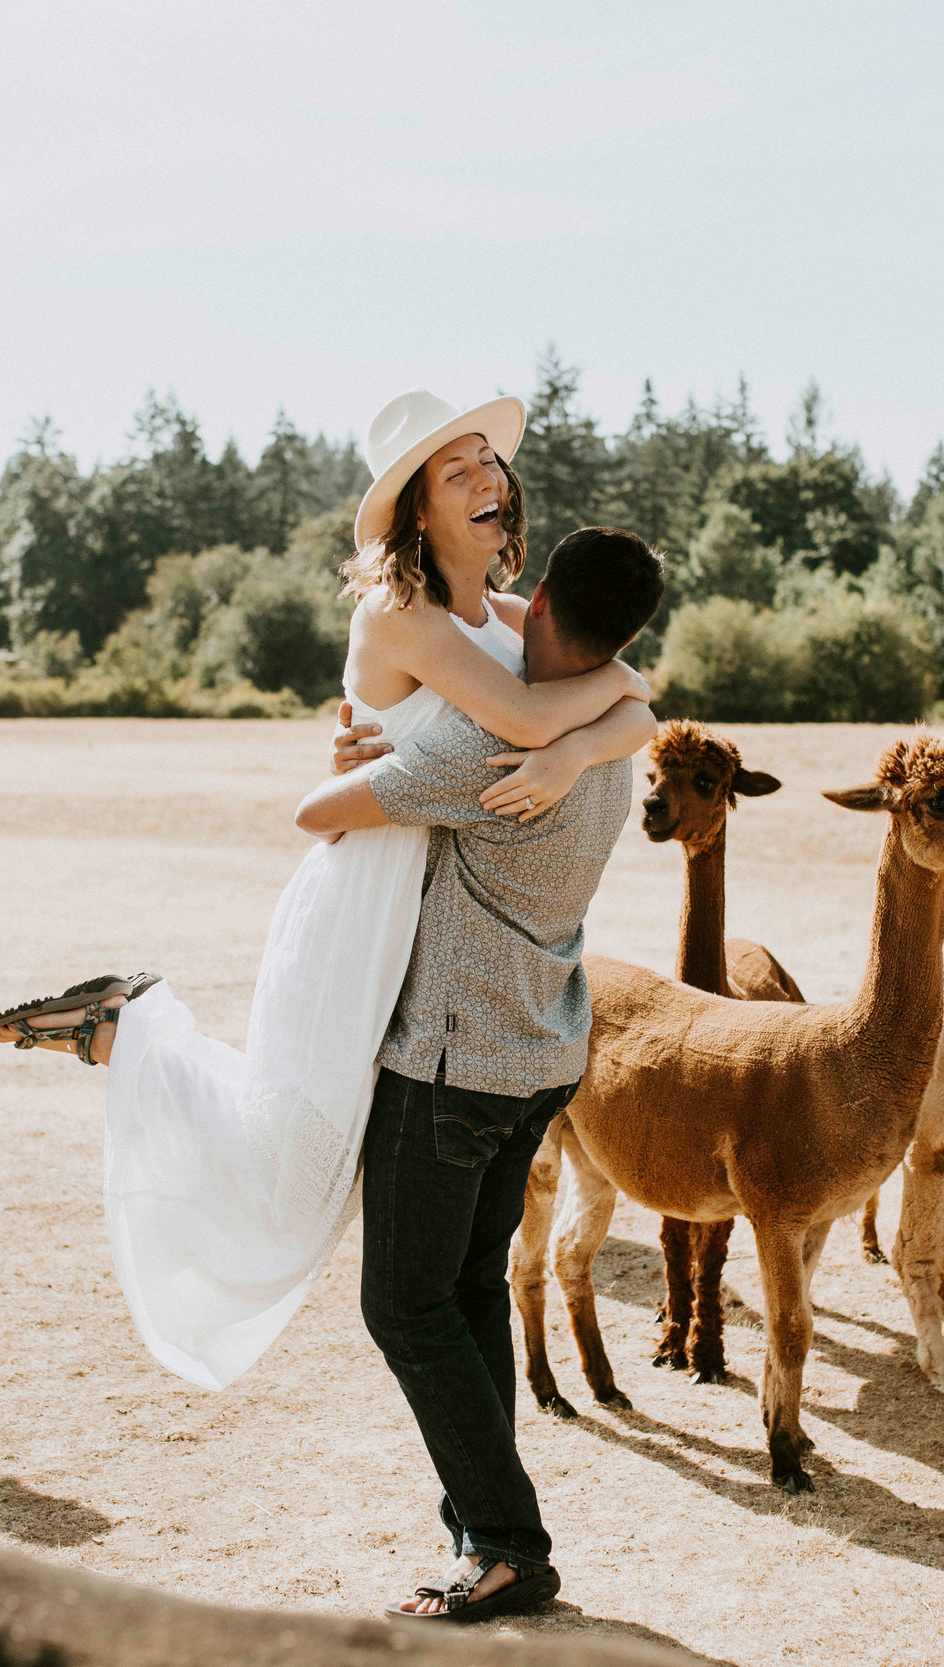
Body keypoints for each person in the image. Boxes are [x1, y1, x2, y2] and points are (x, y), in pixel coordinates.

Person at [0, 390, 653, 1401]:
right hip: (364, 899)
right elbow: (526, 711)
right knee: (296, 1178)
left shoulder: (505, 617)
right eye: (455, 469)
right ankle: (131, 1025)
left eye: (487, 462)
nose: (486, 480)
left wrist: (587, 743)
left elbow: (628, 689)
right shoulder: (399, 611)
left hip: (432, 920)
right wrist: (584, 730)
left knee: (370, 1206)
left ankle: (487, 1514)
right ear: (415, 512)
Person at [294, 524, 666, 1624]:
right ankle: (479, 1523)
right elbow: (632, 701)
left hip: (452, 1059)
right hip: (541, 1048)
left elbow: (316, 819)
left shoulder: (477, 748)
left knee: (402, 1303)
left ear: (537, 595)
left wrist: (355, 764)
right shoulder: (609, 733)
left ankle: (507, 1541)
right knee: (461, 1293)